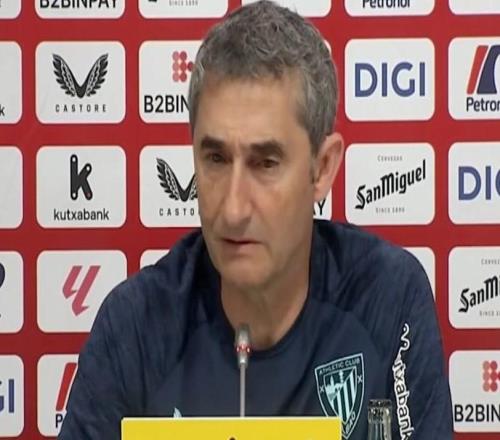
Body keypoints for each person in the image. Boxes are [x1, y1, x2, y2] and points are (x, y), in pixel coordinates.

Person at [58, 1, 453, 439]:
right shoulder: (137, 325)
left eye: (265, 163)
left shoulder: (386, 296)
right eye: (215, 158)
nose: (232, 209)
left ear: (322, 168)